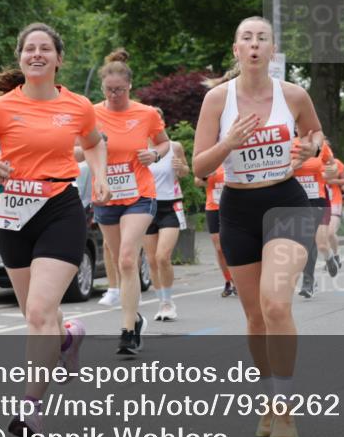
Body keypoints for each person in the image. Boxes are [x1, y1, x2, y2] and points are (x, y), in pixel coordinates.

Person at [0, 23, 109, 437]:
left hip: (60, 208)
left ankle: (30, 409)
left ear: (59, 59)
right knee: (36, 313)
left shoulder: (78, 105)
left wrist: (99, 176)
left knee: (40, 312)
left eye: (46, 48)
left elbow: (94, 143)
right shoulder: (1, 107)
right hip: (13, 213)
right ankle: (67, 339)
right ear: (21, 57)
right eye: (30, 49)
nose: (37, 54)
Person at [193, 16, 323, 437]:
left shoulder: (294, 95)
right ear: (236, 49)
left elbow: (316, 135)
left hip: (286, 203)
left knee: (276, 305)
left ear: (272, 50)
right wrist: (228, 143)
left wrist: (310, 148)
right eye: (246, 38)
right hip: (237, 209)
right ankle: (270, 397)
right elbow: (199, 166)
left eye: (262, 38)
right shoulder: (217, 99)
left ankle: (285, 410)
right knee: (254, 317)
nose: (254, 45)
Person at [92, 49, 172, 354]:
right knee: (118, 259)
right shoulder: (91, 114)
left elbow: (164, 143)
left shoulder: (146, 113)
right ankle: (135, 318)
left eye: (120, 90)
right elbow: (75, 152)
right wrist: (93, 145)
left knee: (127, 258)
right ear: (102, 87)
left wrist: (154, 154)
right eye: (109, 90)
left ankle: (127, 332)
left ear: (129, 86)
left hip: (139, 194)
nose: (114, 96)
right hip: (105, 196)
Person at [143, 107, 190, 322]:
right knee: (152, 260)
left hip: (169, 205)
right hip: (146, 206)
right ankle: (161, 303)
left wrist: (181, 167)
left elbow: (185, 171)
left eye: (158, 120)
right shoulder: (140, 148)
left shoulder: (174, 147)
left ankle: (169, 302)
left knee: (163, 256)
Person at [294, 137, 336, 298]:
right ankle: (309, 281)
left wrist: (330, 171)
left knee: (320, 243)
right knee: (305, 241)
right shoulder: (289, 143)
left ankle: (328, 258)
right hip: (296, 199)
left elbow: (333, 166)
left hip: (318, 198)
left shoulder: (320, 145)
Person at [195, 166, 237, 297]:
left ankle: (238, 280)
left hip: (232, 207)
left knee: (235, 245)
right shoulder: (212, 161)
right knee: (219, 249)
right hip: (213, 207)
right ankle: (229, 280)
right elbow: (197, 182)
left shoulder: (233, 160)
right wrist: (205, 176)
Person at [324, 149, 344, 268]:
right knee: (323, 234)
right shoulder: (313, 163)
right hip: (321, 201)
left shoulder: (336, 163)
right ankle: (331, 258)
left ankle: (335, 256)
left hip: (335, 201)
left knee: (331, 232)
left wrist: (333, 181)